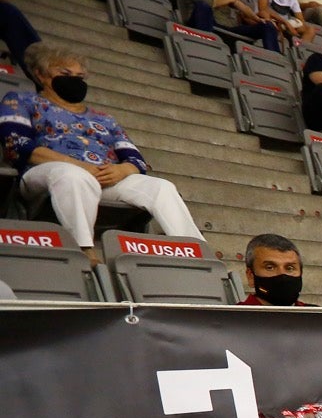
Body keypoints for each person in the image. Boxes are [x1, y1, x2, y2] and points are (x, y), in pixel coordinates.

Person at [2, 44, 203, 264]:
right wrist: (79, 165)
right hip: (45, 173)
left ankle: (196, 252)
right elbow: (18, 145)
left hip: (103, 178)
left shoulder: (104, 118)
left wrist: (123, 169)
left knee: (161, 187)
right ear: (40, 75)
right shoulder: (21, 101)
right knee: (73, 175)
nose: (74, 80)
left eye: (80, 76)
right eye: (65, 74)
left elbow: (135, 158)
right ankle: (84, 249)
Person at [236, 232, 311, 306]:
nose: (282, 274)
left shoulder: (317, 315)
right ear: (250, 276)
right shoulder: (231, 316)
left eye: (289, 268)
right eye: (270, 267)